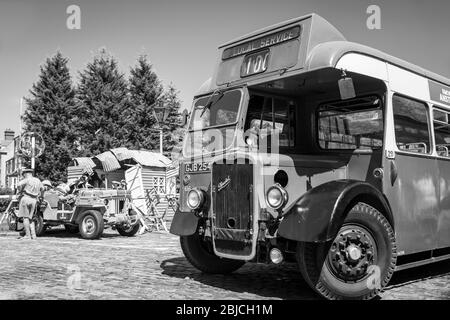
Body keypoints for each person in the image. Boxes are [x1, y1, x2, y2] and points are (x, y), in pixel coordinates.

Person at [16, 168, 44, 240]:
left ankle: (27, 235)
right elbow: (43, 189)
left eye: (23, 174)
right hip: (34, 200)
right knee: (31, 218)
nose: (23, 175)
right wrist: (41, 196)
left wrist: (20, 190)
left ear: (26, 173)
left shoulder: (27, 179)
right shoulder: (38, 180)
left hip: (26, 198)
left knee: (25, 218)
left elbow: (18, 185)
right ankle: (33, 235)